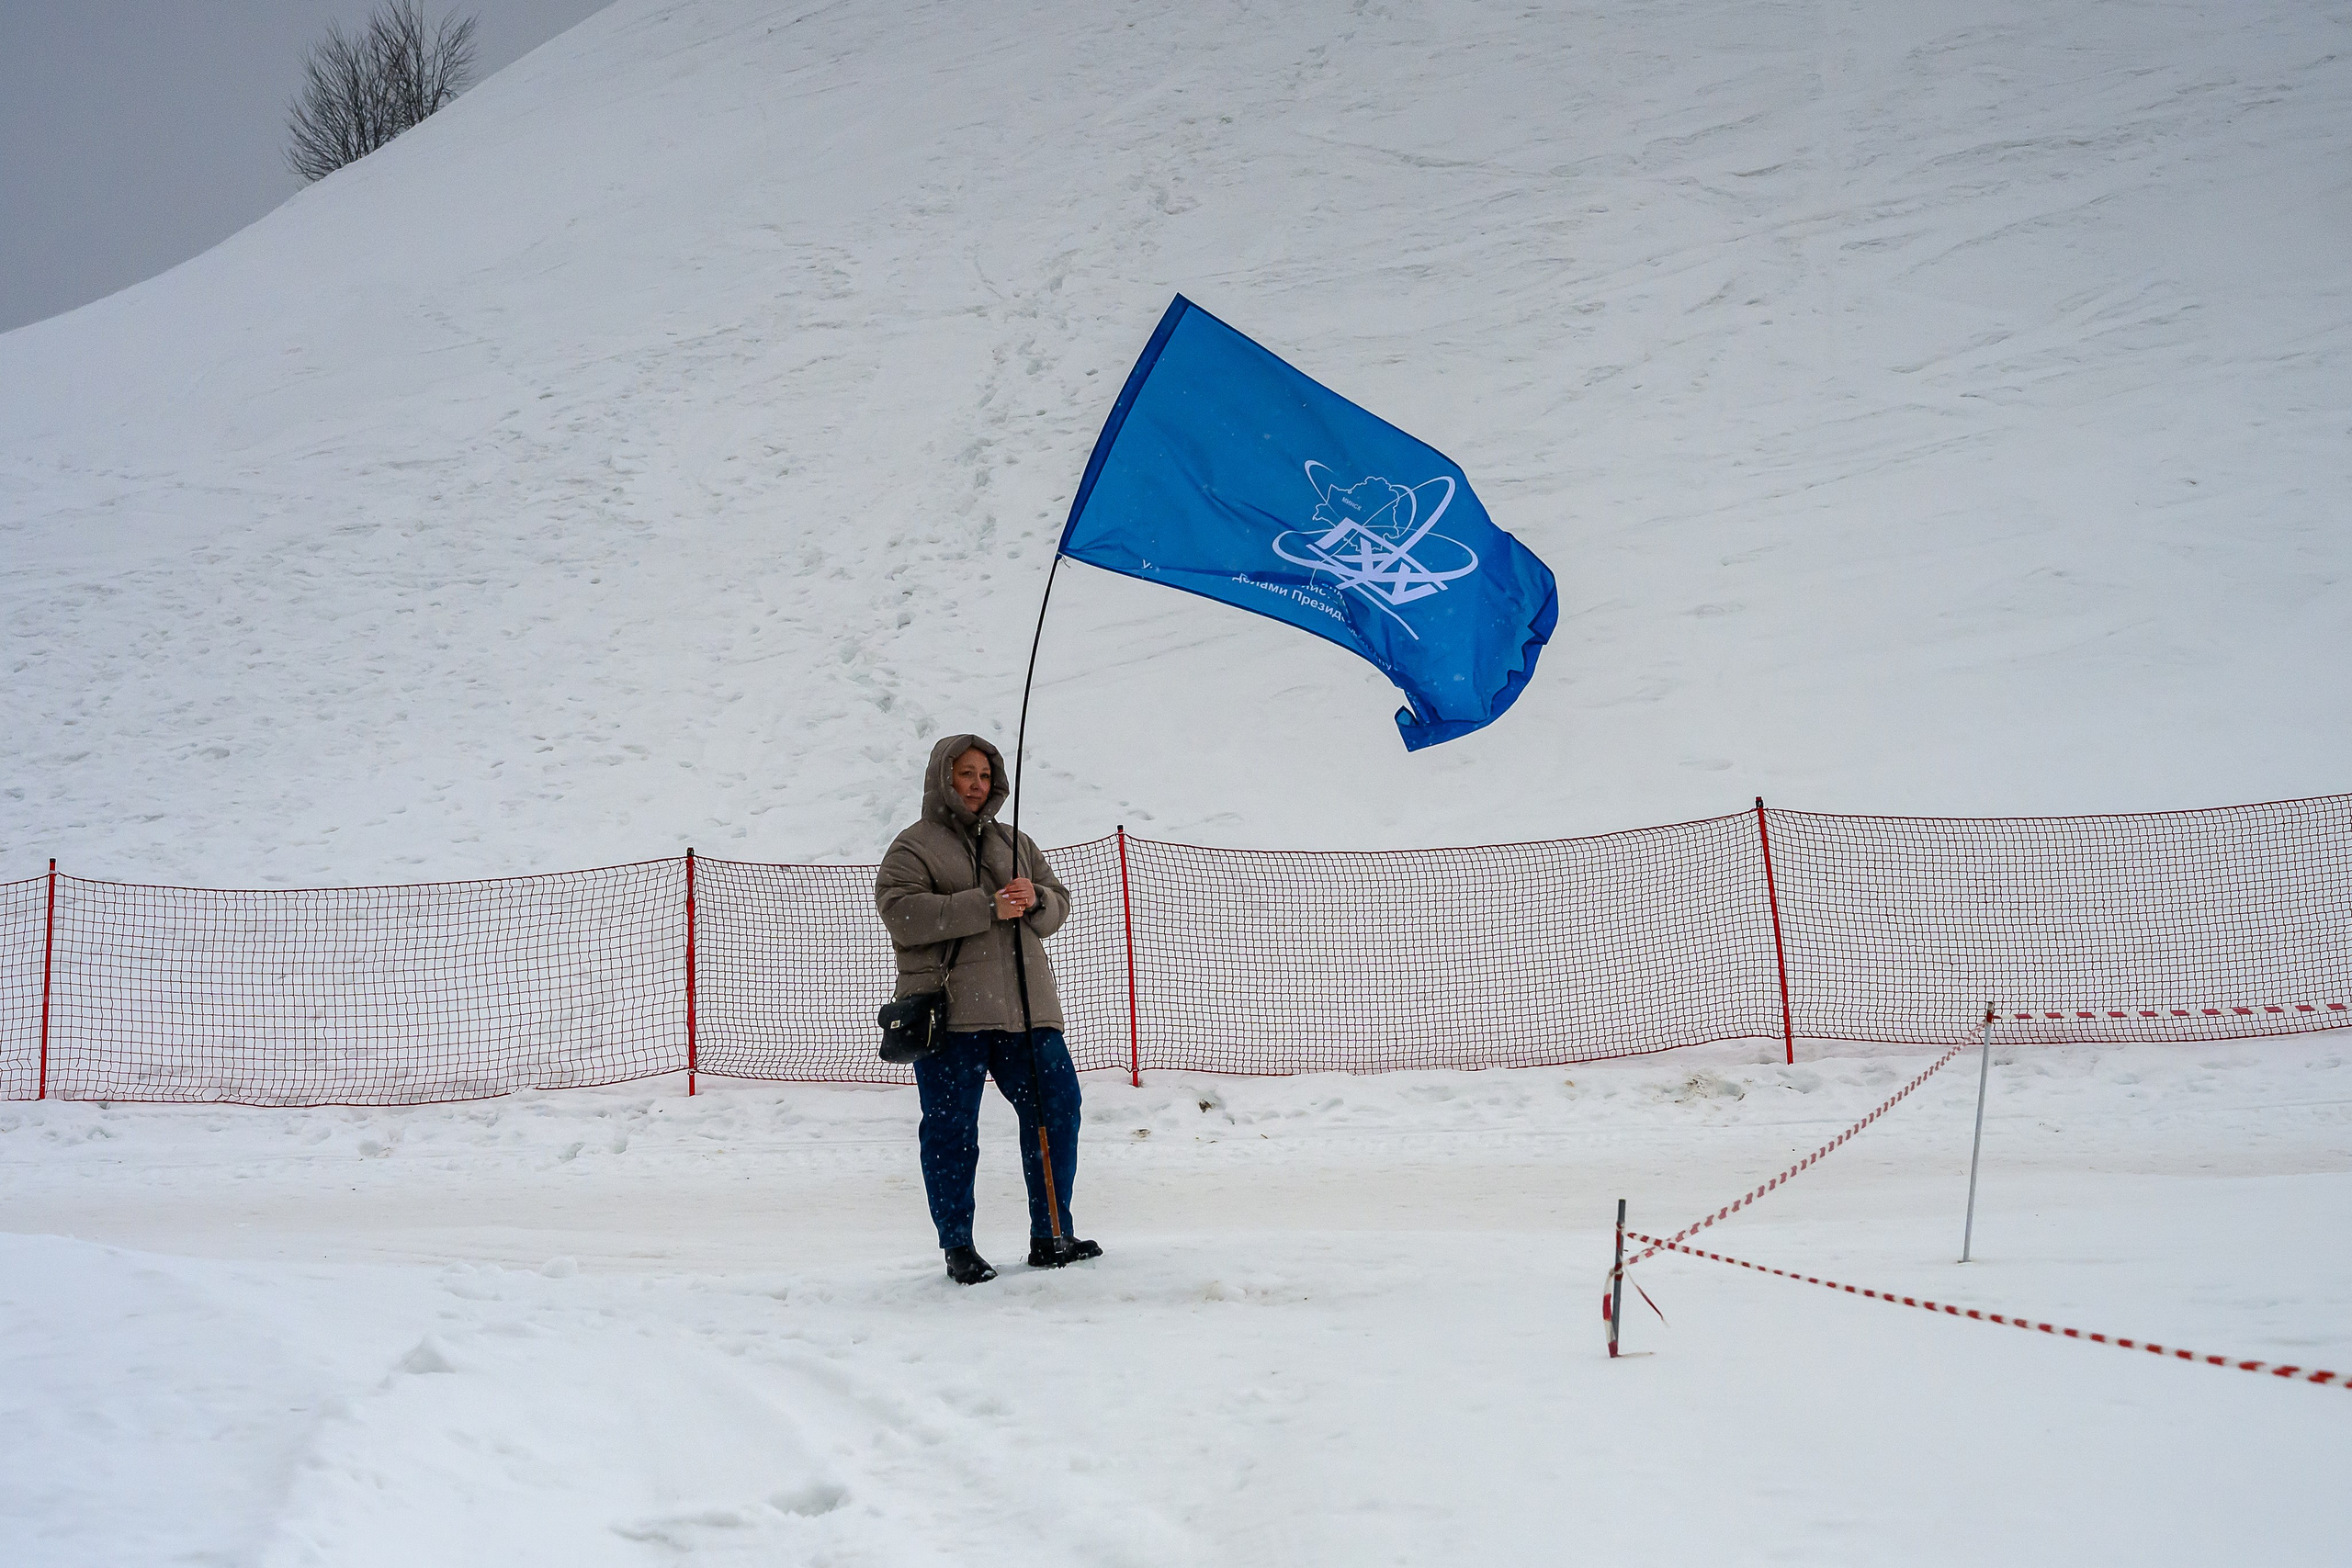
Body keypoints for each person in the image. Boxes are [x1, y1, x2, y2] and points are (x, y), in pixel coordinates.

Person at [875, 734, 1102, 1285]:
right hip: (953, 1015)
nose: (977, 785)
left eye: (984, 775)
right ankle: (958, 1246)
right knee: (953, 1130)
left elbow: (1056, 904)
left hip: (1028, 1011)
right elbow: (902, 914)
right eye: (966, 774)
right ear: (943, 778)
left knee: (1057, 1110)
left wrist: (1038, 900)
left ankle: (1052, 1235)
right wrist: (986, 906)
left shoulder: (1016, 841)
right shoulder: (913, 847)